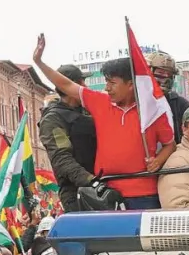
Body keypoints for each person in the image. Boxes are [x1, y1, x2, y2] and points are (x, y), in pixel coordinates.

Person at [33, 34, 176, 209]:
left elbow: (170, 144)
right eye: (106, 82)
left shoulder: (153, 111)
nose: (106, 88)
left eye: (112, 83)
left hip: (145, 194)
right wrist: (39, 62)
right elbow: (66, 85)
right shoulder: (100, 102)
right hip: (106, 192)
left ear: (130, 84)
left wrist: (158, 160)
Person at [37, 64, 97, 212]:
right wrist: (92, 181)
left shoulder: (87, 111)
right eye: (81, 82)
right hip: (78, 193)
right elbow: (62, 159)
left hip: (100, 186)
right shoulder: (53, 119)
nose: (85, 86)